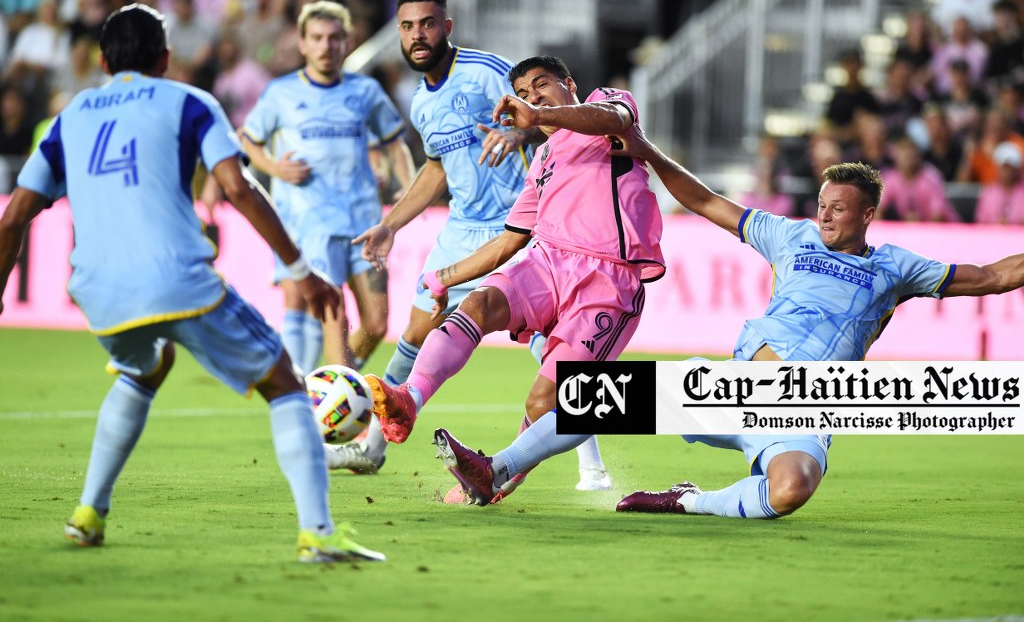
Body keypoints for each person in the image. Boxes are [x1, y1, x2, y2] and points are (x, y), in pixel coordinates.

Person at [0, 4, 384, 563]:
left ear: (103, 60)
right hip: (179, 279)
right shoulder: (187, 101)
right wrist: (300, 268)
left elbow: (13, 219)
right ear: (166, 57)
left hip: (96, 290)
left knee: (146, 367)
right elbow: (238, 187)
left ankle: (88, 513)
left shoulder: (71, 115)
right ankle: (319, 535)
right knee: (284, 384)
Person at [606, 123, 1024, 519]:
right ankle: (545, 456)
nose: (823, 216)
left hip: (808, 406)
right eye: (822, 205)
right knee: (588, 401)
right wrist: (647, 151)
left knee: (789, 491)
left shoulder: (895, 267)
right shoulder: (791, 234)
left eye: (837, 209)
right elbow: (706, 201)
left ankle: (689, 501)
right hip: (741, 386)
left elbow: (993, 277)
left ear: (867, 215)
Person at [325, 0, 614, 494]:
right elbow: (437, 168)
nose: (419, 35)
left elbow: (544, 113)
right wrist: (392, 224)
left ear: (447, 26)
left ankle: (592, 465)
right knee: (414, 334)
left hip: (519, 228)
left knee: (554, 352)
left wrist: (523, 133)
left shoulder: (485, 70)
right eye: (408, 27)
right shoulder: (420, 102)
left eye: (428, 24)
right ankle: (373, 445)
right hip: (461, 230)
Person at [369, 55, 665, 506]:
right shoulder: (542, 160)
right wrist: (443, 277)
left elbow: (617, 118)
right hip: (545, 261)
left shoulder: (608, 106)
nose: (533, 97)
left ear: (570, 83)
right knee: (477, 306)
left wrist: (540, 115)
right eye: (524, 94)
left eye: (542, 85)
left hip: (608, 280)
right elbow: (509, 241)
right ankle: (409, 399)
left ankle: (499, 473)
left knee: (545, 401)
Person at [241, 0, 415, 375]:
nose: (326, 46)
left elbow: (393, 142)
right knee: (333, 312)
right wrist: (274, 168)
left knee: (376, 325)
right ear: (302, 43)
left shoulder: (365, 91)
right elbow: (247, 140)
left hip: (364, 222)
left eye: (334, 38)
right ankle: (333, 407)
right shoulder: (281, 93)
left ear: (347, 42)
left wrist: (406, 185)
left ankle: (329, 390)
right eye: (317, 38)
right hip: (310, 222)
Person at [975, 141, 1024, 224]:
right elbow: (980, 221)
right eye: (1004, 167)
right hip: (992, 235)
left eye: (1011, 167)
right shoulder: (989, 192)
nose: (1008, 172)